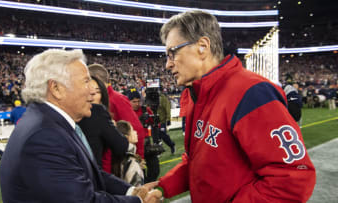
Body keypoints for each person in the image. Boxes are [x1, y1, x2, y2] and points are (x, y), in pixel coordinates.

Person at [153, 10, 316, 202]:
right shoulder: (197, 94)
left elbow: (292, 180)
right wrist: (162, 188)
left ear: (202, 47)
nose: (167, 65)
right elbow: (198, 164)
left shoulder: (252, 92)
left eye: (172, 53)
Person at [0, 49, 161, 203]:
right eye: (85, 82)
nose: (93, 91)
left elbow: (88, 175)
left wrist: (131, 191)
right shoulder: (44, 136)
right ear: (56, 88)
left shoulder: (50, 123)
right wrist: (138, 201)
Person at [88, 64, 146, 173]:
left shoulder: (116, 99)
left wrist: (137, 160)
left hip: (115, 165)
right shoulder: (102, 100)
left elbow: (136, 129)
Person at [78, 76, 132, 169]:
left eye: (98, 91)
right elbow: (121, 147)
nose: (93, 94)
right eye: (89, 89)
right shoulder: (98, 112)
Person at [127, 89, 160, 183]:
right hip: (134, 144)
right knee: (139, 171)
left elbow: (155, 123)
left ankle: (149, 184)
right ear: (128, 101)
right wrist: (139, 120)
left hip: (146, 142)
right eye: (134, 101)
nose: (137, 104)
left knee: (155, 168)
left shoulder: (145, 109)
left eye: (138, 101)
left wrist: (154, 118)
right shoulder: (126, 111)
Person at [112, 120, 145, 187]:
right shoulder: (131, 161)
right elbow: (136, 190)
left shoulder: (118, 156)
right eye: (132, 130)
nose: (136, 132)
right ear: (126, 137)